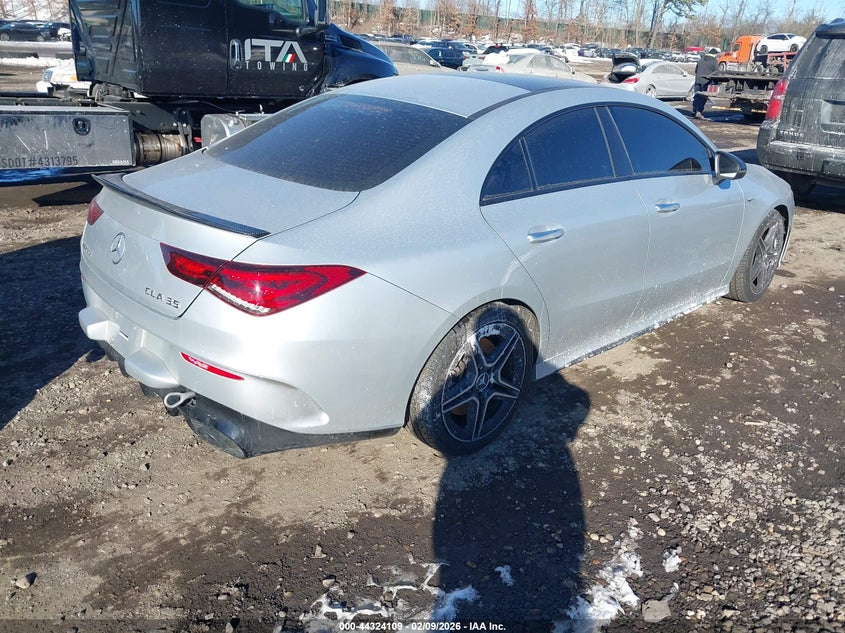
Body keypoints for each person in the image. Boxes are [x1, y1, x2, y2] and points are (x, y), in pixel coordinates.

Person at [692, 48, 719, 119]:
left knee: (697, 95)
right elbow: (717, 72)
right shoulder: (714, 61)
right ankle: (699, 112)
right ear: (714, 54)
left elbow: (696, 70)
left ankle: (695, 109)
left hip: (698, 80)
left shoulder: (701, 60)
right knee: (703, 97)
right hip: (706, 81)